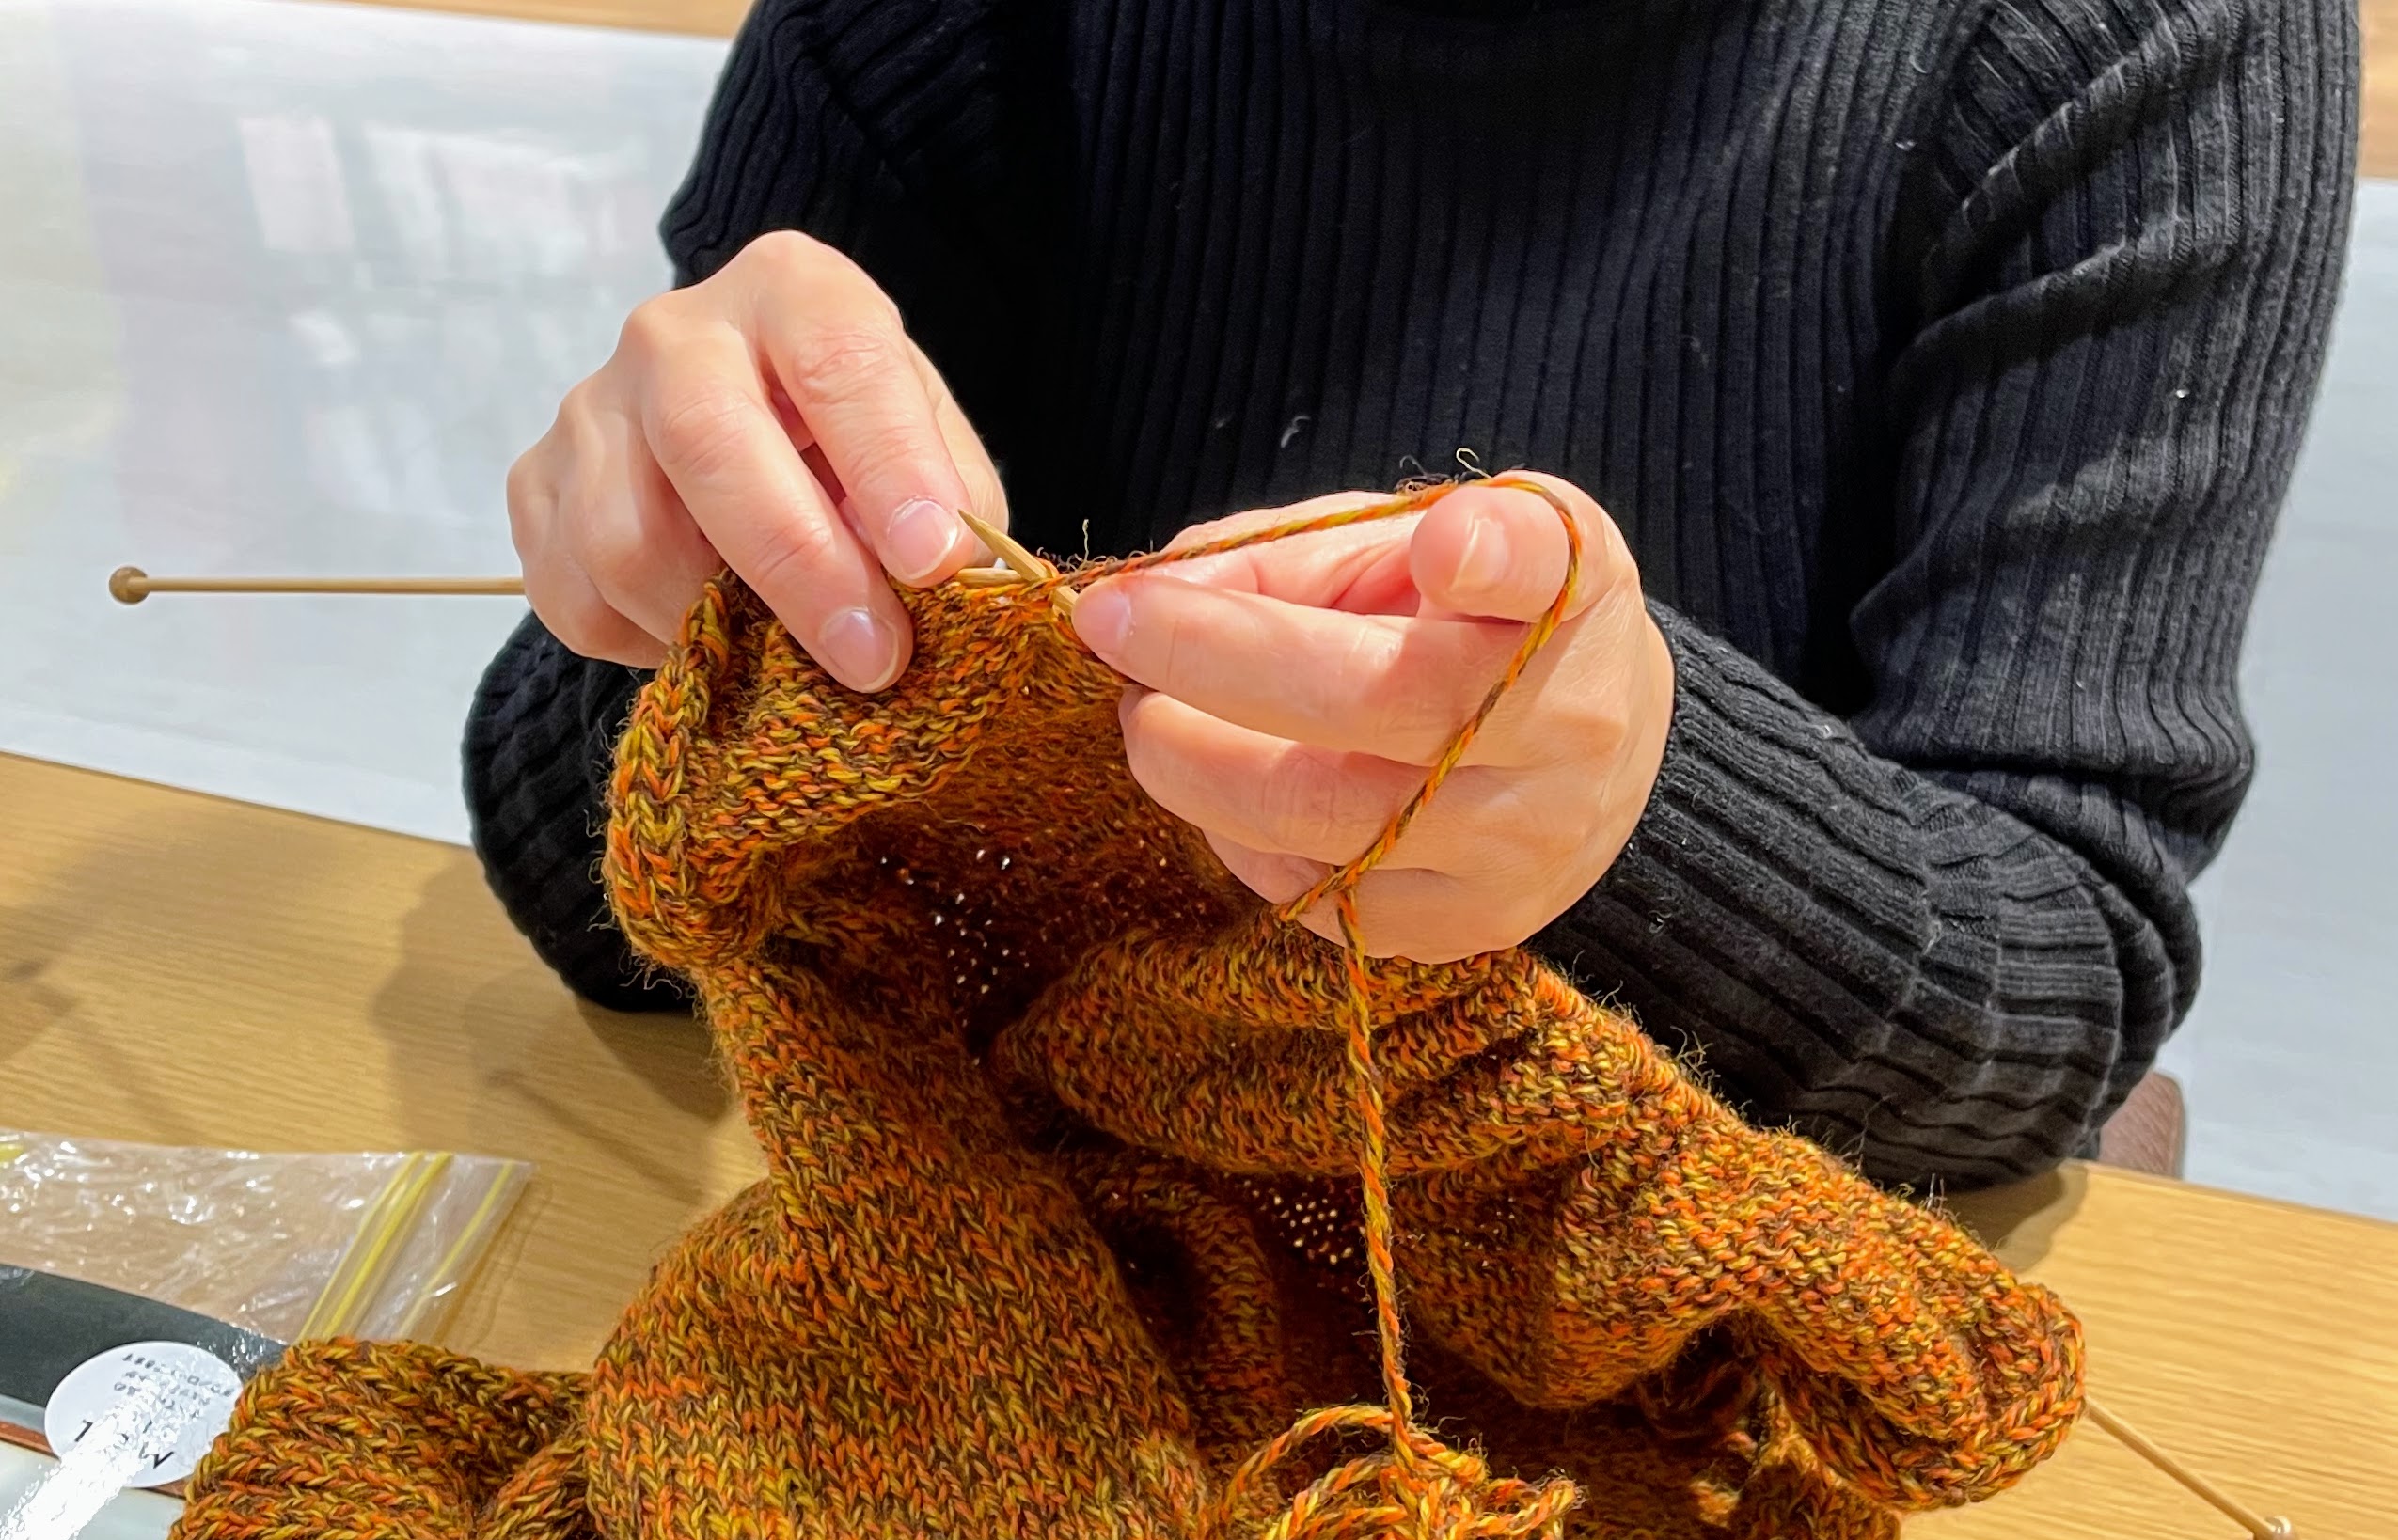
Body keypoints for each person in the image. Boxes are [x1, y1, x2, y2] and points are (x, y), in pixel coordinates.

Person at [466, 0, 2358, 1192]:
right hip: (1032, 1233)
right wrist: (688, 617)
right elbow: (591, 905)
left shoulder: (2134, 38)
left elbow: (2056, 986)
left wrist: (1648, 815)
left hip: (1657, 1293)